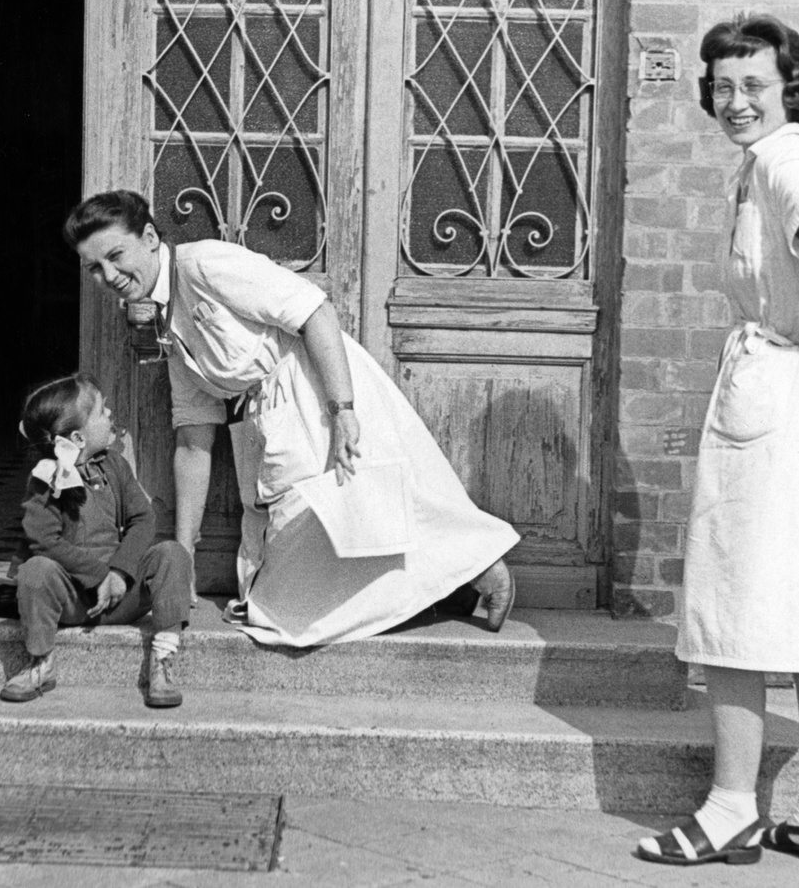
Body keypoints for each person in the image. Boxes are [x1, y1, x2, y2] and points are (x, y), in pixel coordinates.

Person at [636, 14, 799, 868]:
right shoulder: (764, 165)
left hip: (783, 389)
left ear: (789, 89)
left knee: (735, 595)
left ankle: (729, 808)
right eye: (722, 86)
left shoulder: (782, 159)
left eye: (754, 85)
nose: (735, 101)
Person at [65, 192, 519, 647]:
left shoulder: (205, 264)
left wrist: (342, 411)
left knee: (378, 508)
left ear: (148, 238)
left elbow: (315, 311)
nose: (109, 276)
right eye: (94, 268)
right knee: (278, 599)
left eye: (115, 256)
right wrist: (184, 557)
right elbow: (192, 437)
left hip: (316, 392)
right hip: (266, 423)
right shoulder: (165, 319)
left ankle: (482, 569)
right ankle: (442, 590)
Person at [4, 373, 194, 708]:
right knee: (35, 570)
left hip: (122, 597)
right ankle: (41, 662)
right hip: (74, 600)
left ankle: (162, 660)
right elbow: (43, 539)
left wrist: (119, 573)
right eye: (102, 411)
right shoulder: (45, 478)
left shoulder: (115, 465)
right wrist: (99, 575)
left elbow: (143, 518)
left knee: (172, 554)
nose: (110, 416)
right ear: (77, 436)